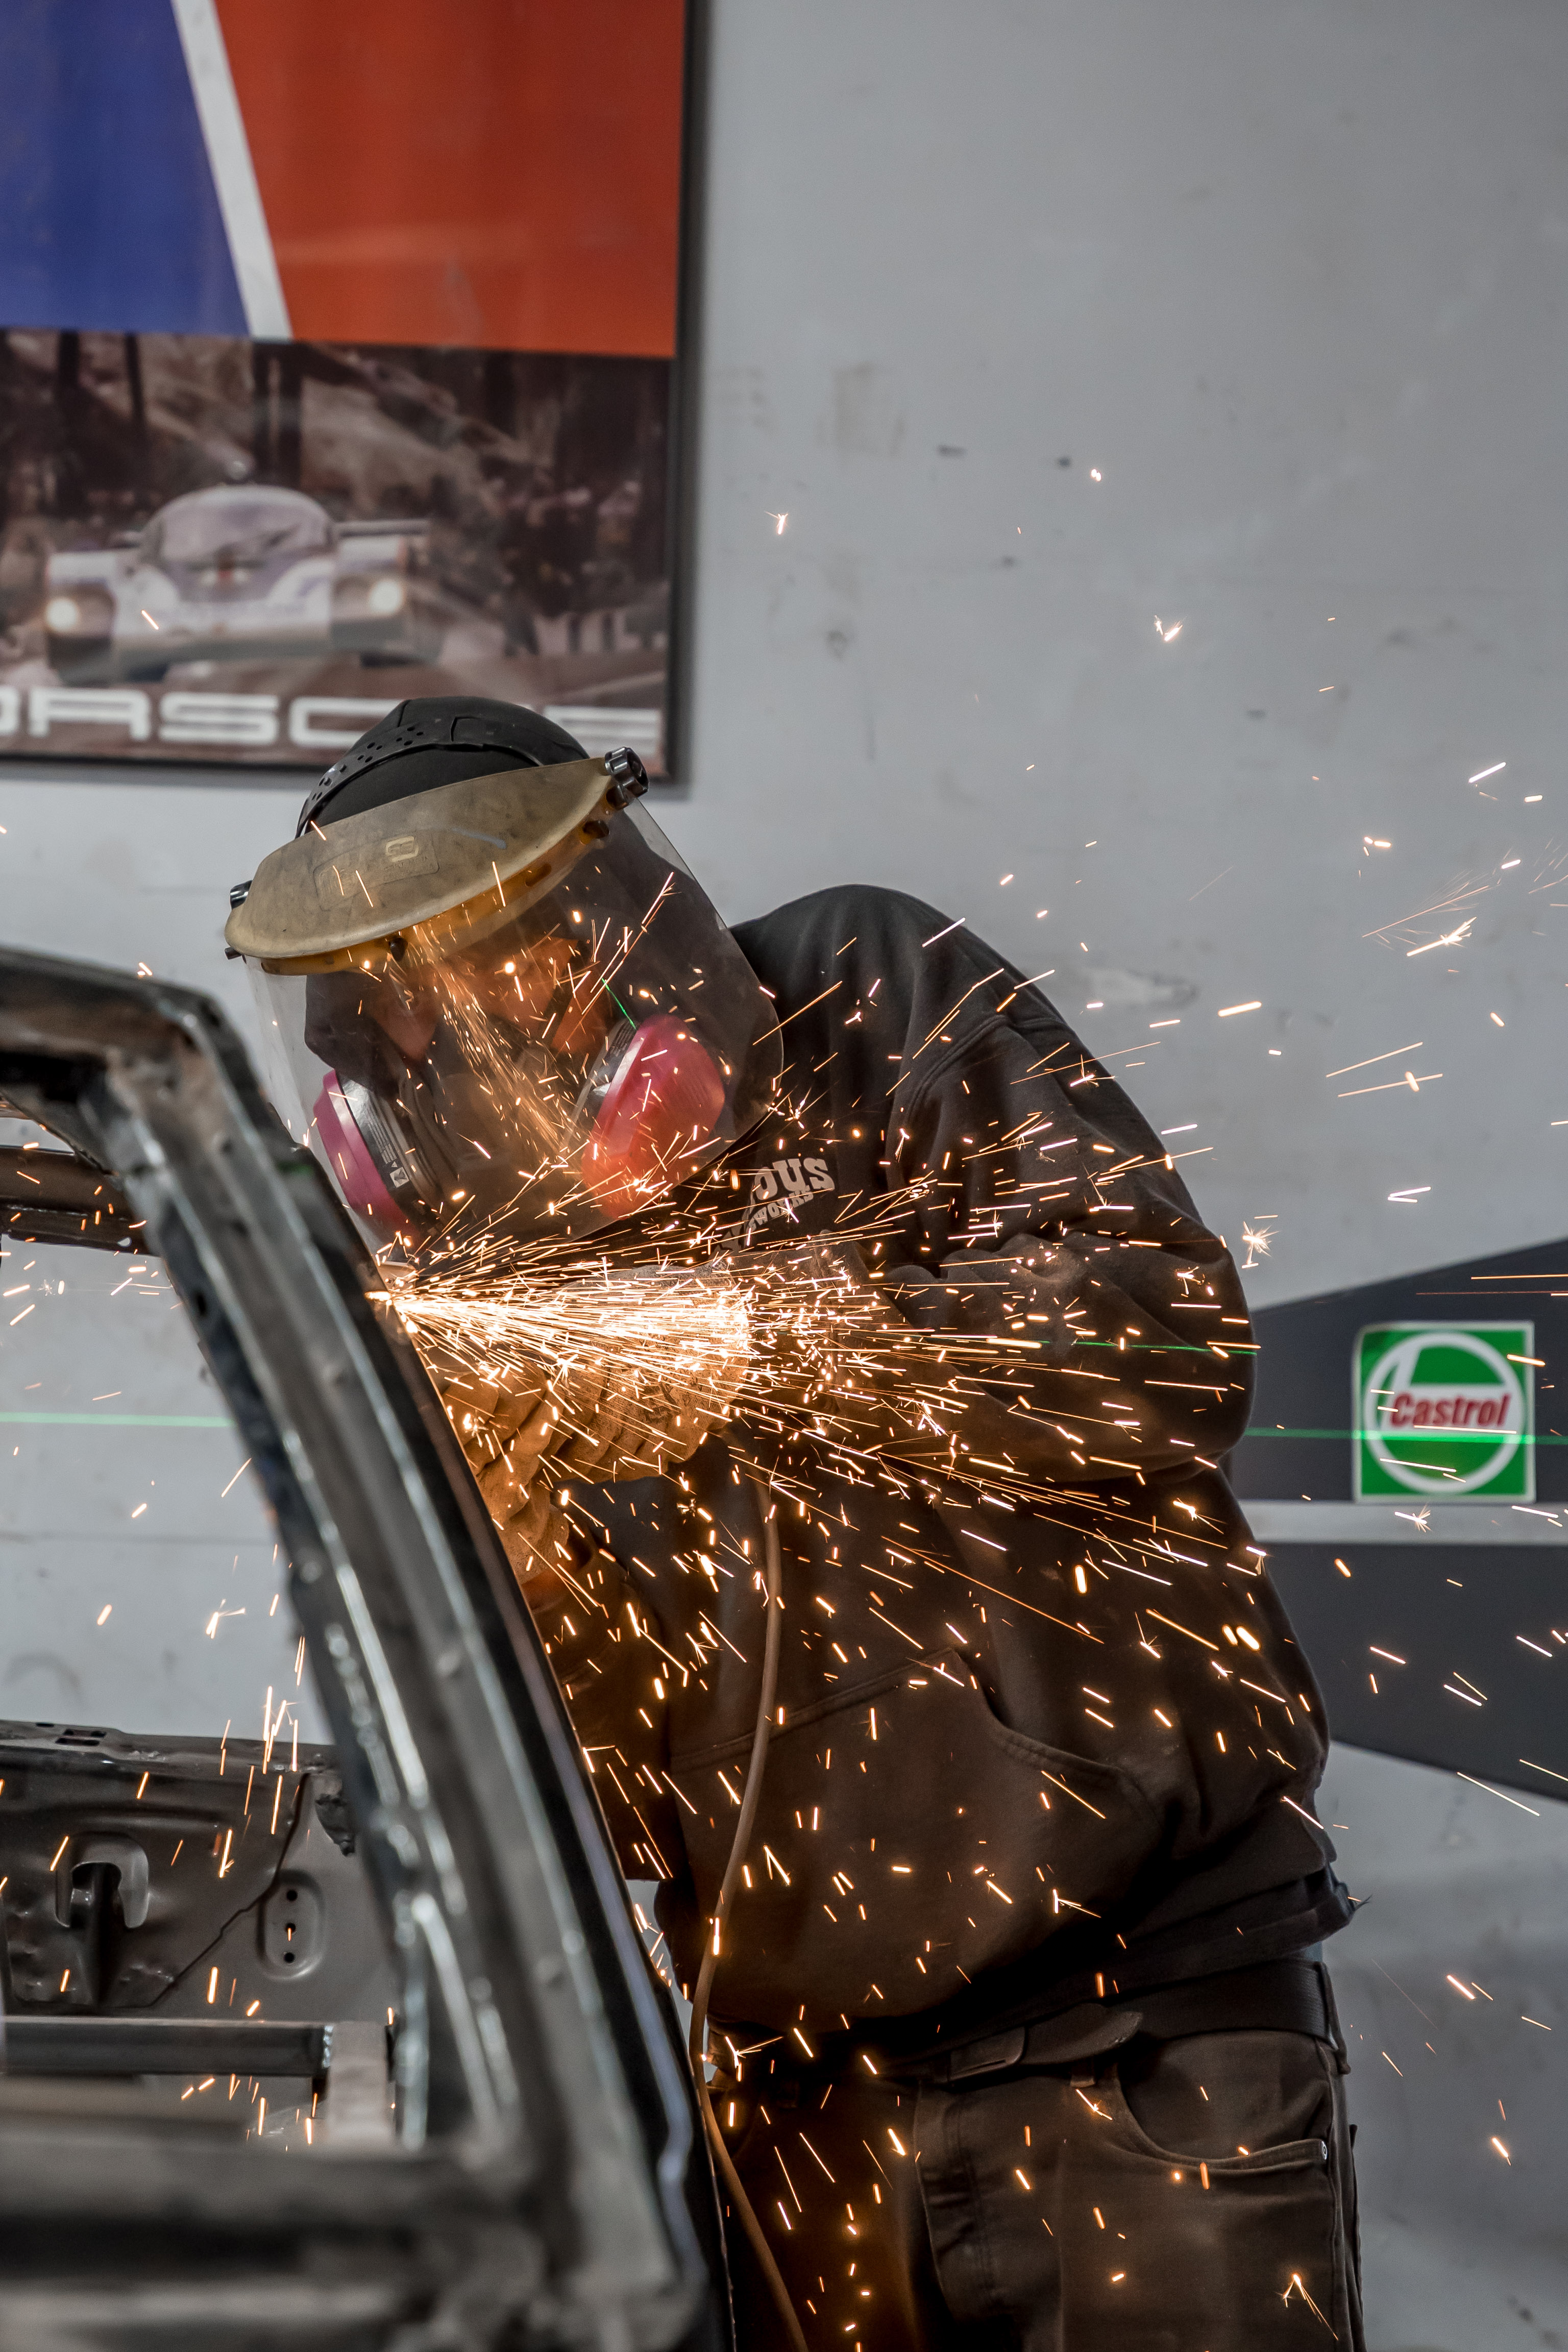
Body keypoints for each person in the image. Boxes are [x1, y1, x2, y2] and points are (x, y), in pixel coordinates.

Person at [227, 696, 1363, 2352]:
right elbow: (582, 1790)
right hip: (796, 2109)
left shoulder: (863, 990)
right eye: (408, 994)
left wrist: (758, 1350)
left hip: (1142, 2037)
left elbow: (1163, 1348)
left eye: (505, 956)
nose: (469, 1024)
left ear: (610, 920)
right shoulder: (472, 1259)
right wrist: (518, 1561)